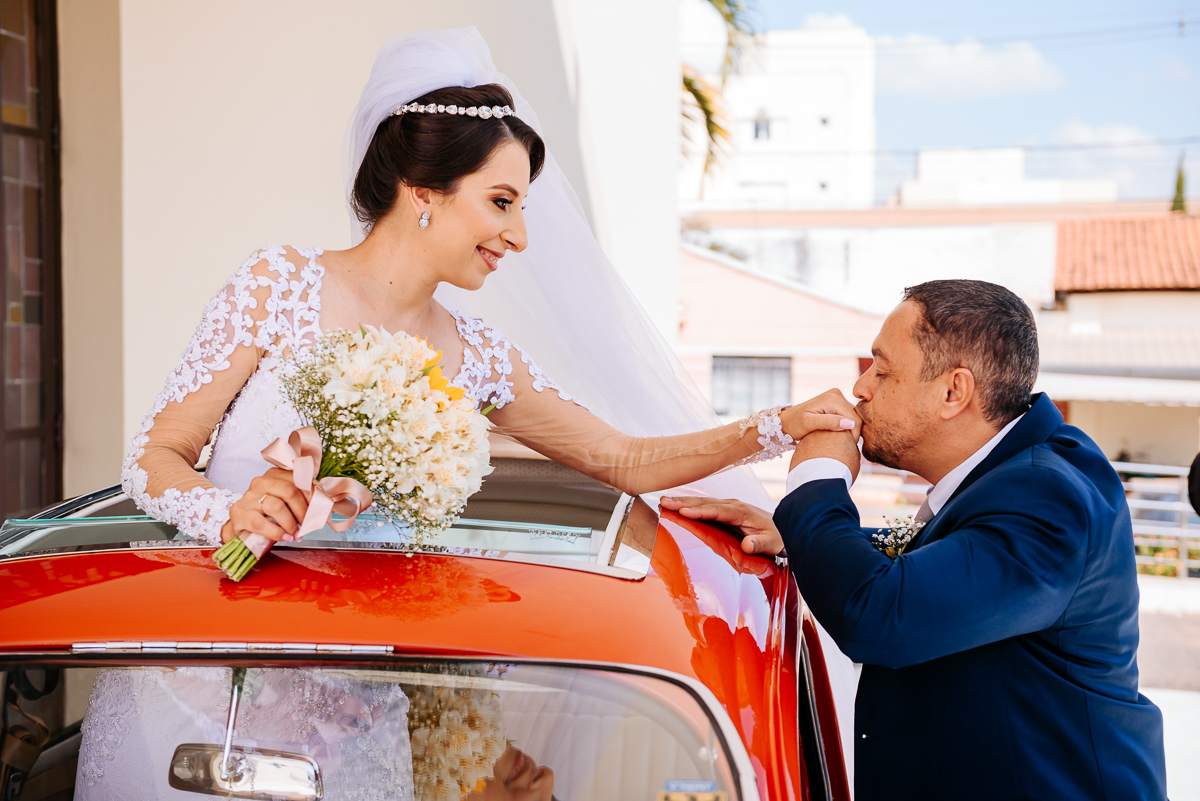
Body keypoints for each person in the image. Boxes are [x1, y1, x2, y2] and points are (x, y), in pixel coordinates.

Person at [83, 27, 858, 800]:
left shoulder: (476, 354)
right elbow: (155, 457)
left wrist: (779, 426)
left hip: (354, 716)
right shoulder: (275, 283)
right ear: (423, 190)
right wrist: (229, 513)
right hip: (201, 698)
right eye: (501, 203)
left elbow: (625, 458)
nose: (519, 236)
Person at [664, 280, 1168, 801]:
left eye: (882, 370)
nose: (861, 388)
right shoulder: (1021, 466)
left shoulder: (1048, 496)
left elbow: (878, 614)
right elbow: (956, 559)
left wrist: (818, 480)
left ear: (954, 392)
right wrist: (797, 533)